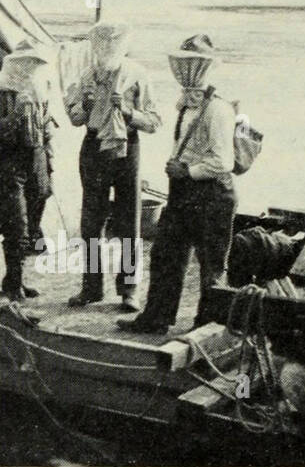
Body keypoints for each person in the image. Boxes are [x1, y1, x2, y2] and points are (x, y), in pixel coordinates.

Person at [119, 34, 237, 334]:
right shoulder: (186, 104)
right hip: (183, 193)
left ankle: (207, 326)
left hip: (212, 194)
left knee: (211, 265)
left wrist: (187, 170)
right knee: (165, 254)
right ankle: (157, 317)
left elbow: (224, 162)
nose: (185, 72)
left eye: (192, 65)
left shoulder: (218, 109)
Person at [64, 22, 160, 310]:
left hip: (126, 147)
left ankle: (129, 290)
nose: (106, 49)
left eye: (112, 44)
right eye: (101, 44)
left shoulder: (137, 75)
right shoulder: (85, 76)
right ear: (95, 47)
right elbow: (75, 118)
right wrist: (87, 106)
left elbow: (154, 121)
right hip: (93, 147)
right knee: (91, 221)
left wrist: (128, 111)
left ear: (122, 46)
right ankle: (91, 287)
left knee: (129, 220)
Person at [0, 39, 55, 304]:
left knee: (32, 223)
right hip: (10, 165)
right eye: (25, 65)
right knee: (16, 226)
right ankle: (13, 282)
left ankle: (18, 278)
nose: (28, 71)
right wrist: (17, 115)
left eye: (33, 66)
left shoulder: (40, 92)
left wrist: (49, 162)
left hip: (36, 162)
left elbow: (47, 129)